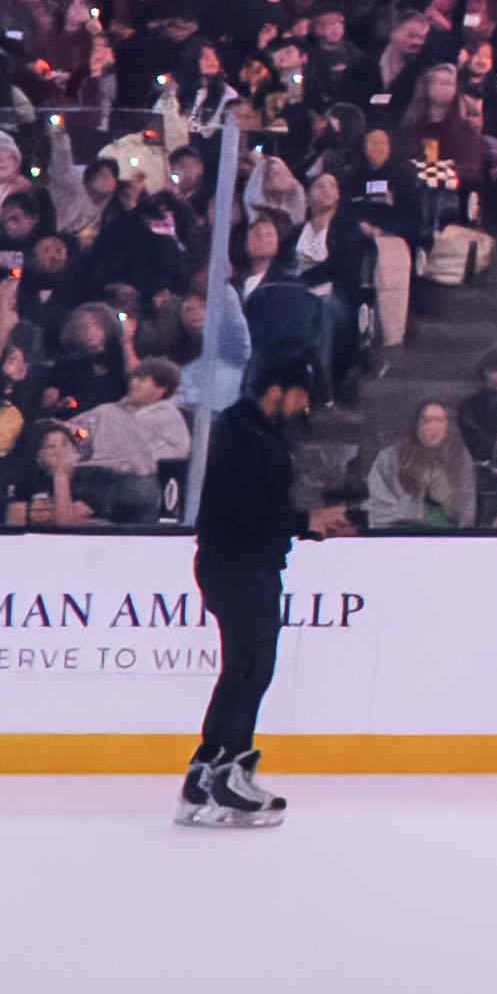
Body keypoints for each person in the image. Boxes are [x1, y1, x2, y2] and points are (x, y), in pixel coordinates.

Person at [178, 325, 312, 828]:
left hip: (236, 563)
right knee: (251, 669)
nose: (303, 405)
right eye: (299, 394)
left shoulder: (247, 431)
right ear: (276, 391)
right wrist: (307, 522)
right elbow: (250, 512)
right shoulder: (249, 438)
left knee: (244, 668)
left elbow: (259, 509)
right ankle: (225, 778)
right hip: (240, 565)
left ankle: (208, 773)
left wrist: (305, 523)